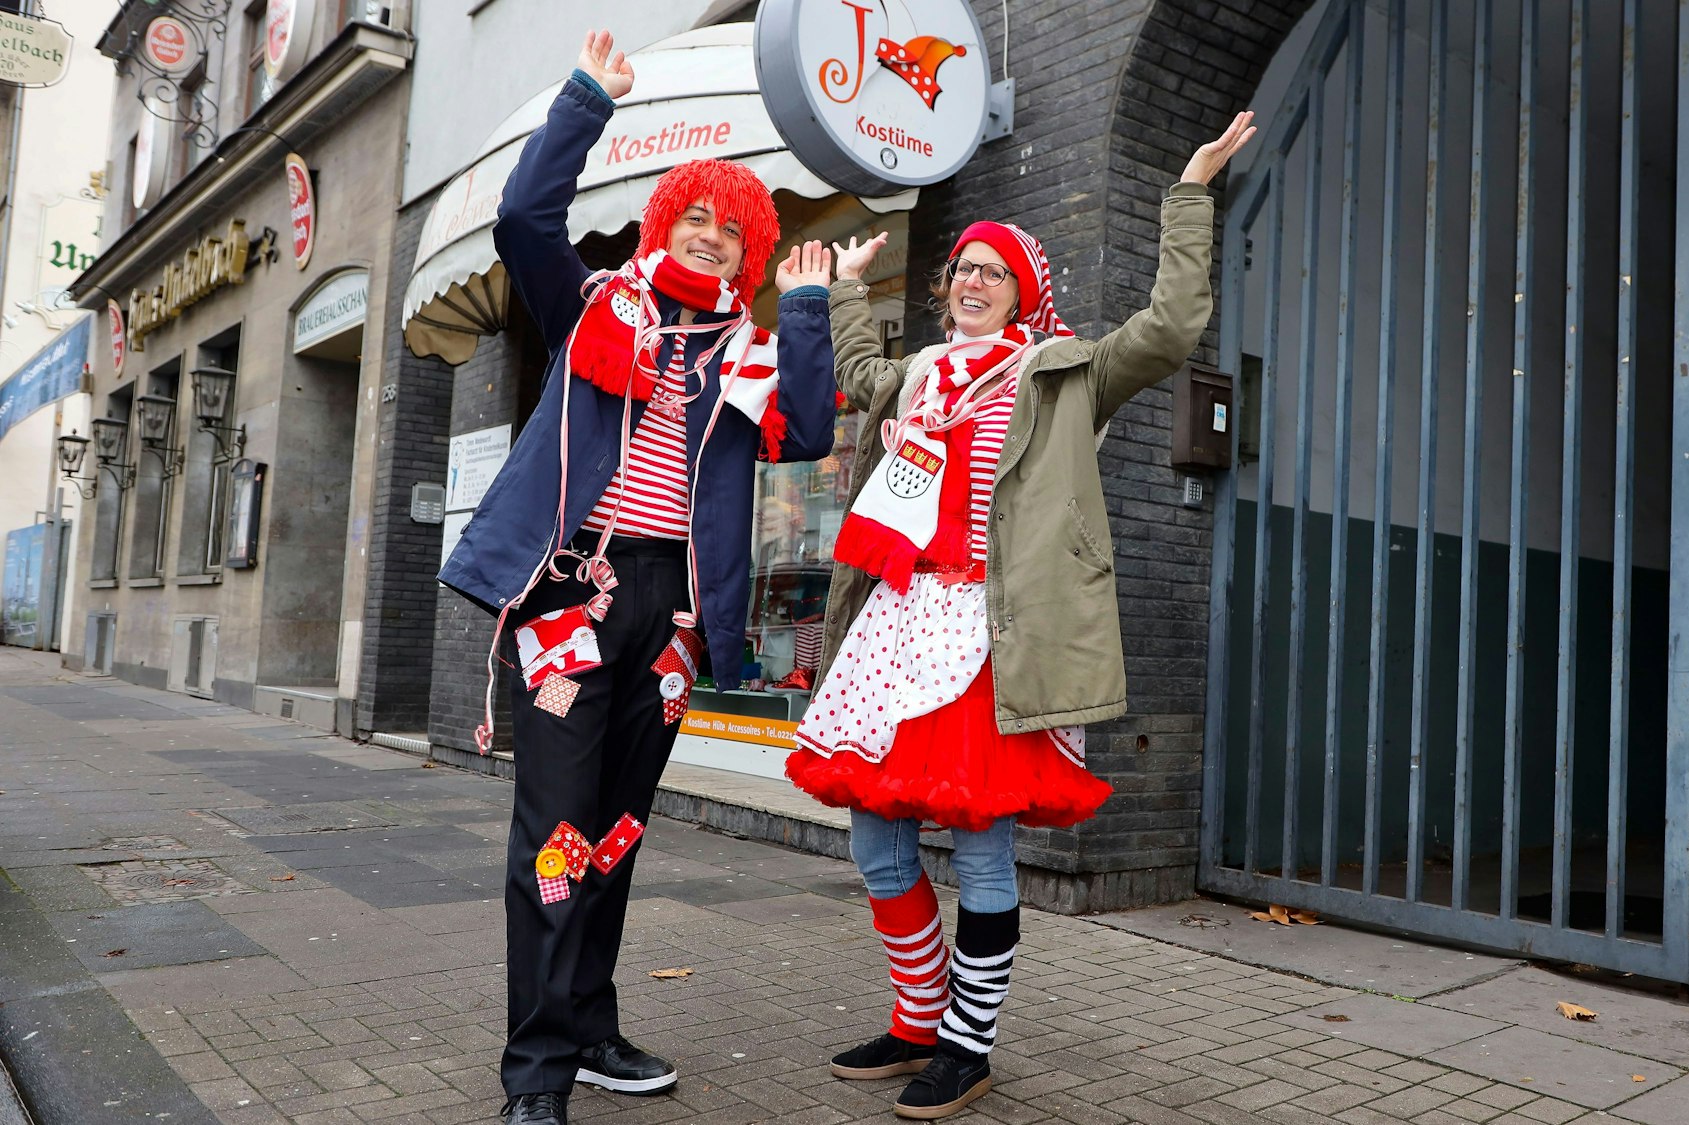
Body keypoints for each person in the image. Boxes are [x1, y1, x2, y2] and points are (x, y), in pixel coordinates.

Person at [785, 111, 1257, 1120]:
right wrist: (843, 289)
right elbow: (859, 377)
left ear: (1024, 293)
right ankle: (917, 1018)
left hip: (992, 635)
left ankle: (967, 1045)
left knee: (987, 852)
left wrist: (1188, 193)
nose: (970, 279)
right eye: (960, 265)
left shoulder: (1062, 373)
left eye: (992, 271)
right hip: (896, 624)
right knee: (876, 841)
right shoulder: (916, 376)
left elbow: (1169, 329)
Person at [435, 31, 837, 1125]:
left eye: (732, 228)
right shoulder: (599, 308)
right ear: (666, 226)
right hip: (570, 594)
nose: (710, 236)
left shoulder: (745, 353)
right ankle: (536, 1077)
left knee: (613, 828)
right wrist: (585, 101)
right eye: (695, 218)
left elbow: (804, 432)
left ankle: (591, 1021)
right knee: (555, 836)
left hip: (670, 613)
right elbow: (522, 220)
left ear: (747, 251)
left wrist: (805, 314)